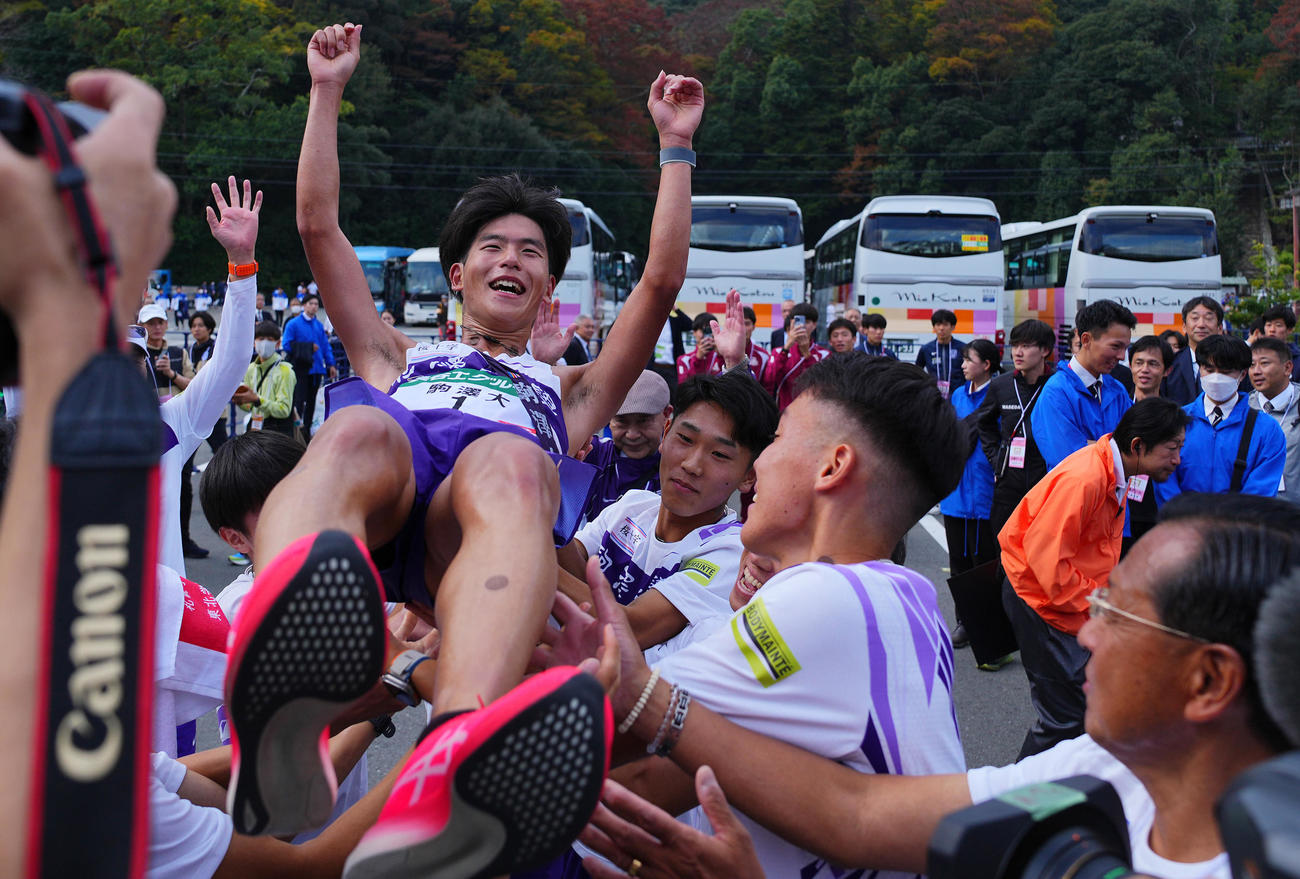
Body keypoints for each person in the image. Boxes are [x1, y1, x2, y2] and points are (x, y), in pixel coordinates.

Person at [223, 22, 702, 870]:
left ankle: (453, 753)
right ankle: (282, 694)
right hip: (391, 490)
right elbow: (317, 226)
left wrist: (674, 148)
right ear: (458, 275)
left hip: (473, 538)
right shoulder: (396, 356)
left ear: (549, 286)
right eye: (492, 246)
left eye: (531, 252)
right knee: (358, 423)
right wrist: (326, 92)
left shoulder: (574, 392)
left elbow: (661, 280)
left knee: (514, 461)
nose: (511, 257)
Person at [573, 495, 1300, 879]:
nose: (1086, 635)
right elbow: (856, 813)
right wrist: (649, 697)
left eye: (1113, 612)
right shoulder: (1101, 773)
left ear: (1209, 680)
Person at [542, 354, 969, 879]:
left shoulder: (823, 602)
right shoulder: (910, 601)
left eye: (780, 439)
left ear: (833, 467)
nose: (759, 466)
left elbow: (614, 754)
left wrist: (415, 667)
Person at [1002, 398, 1188, 757]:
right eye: (1172, 448)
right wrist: (1103, 604)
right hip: (1040, 597)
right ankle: (1015, 803)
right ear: (1138, 445)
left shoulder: (1111, 469)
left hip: (1064, 597)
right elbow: (1049, 566)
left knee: (1078, 711)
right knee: (1065, 719)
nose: (1178, 459)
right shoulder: (1087, 477)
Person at [560, 371, 777, 653]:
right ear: (666, 433)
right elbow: (569, 561)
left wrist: (529, 538)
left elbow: (630, 629)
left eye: (720, 455)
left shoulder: (730, 554)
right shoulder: (633, 506)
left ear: (749, 476)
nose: (692, 465)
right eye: (685, 439)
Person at [940, 339, 1000, 653]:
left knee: (984, 563)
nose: (963, 365)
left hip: (985, 493)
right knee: (959, 562)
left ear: (986, 365)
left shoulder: (1000, 394)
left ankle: (985, 626)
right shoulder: (959, 395)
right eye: (963, 359)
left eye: (969, 359)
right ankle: (963, 621)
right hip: (956, 494)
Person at [1171, 334, 1285, 497]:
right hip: (1181, 519)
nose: (1216, 378)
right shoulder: (1175, 420)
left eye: (1225, 372)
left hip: (1238, 521)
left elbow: (1262, 490)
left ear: (1243, 374)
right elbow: (1164, 478)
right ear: (1200, 369)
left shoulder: (1267, 430)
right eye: (1209, 370)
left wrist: (1232, 521)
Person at [1030, 299, 1136, 471]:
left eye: (1125, 348)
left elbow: (1137, 449)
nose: (1122, 356)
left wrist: (1092, 446)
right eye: (1115, 346)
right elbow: (1070, 460)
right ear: (1086, 340)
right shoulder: (1056, 393)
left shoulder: (1117, 390)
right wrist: (1116, 449)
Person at [975, 319, 1054, 536]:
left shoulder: (1057, 384)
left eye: (1026, 346)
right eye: (1015, 345)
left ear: (1045, 350)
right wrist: (996, 460)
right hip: (1009, 480)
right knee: (1004, 546)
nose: (1018, 352)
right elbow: (984, 423)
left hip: (1046, 479)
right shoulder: (1001, 385)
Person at [582, 370, 672, 518]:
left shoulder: (679, 469)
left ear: (666, 414)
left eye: (644, 420)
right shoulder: (592, 453)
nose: (632, 434)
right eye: (622, 421)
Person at [1249, 336, 1300, 505]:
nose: (1256, 371)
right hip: (1255, 513)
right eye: (1251, 365)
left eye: (1264, 363)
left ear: (1287, 368)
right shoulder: (1244, 408)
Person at [280, 291, 337, 439]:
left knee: (312, 403)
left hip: (317, 369)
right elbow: (286, 344)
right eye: (310, 303)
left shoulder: (318, 325)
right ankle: (295, 433)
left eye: (316, 304)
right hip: (300, 368)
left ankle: (306, 433)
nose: (313, 306)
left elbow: (325, 346)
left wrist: (331, 364)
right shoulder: (293, 324)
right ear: (304, 305)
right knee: (298, 401)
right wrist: (308, 347)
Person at [235, 320, 298, 437]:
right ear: (254, 342)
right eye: (260, 339)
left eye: (270, 340)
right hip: (256, 429)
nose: (264, 343)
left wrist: (257, 400)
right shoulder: (251, 369)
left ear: (278, 344)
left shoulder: (285, 371)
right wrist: (241, 401)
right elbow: (250, 407)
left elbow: (284, 410)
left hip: (277, 433)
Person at [761, 302, 827, 409]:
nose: (803, 326)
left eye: (807, 322)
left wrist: (807, 354)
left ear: (814, 325)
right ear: (791, 323)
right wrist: (787, 347)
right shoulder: (778, 352)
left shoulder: (824, 354)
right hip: (785, 411)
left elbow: (820, 383)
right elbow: (769, 379)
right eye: (798, 321)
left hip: (813, 411)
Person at [1164, 296, 1225, 405]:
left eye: (1208, 318)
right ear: (1184, 326)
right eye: (1195, 318)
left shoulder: (1232, 365)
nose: (1201, 325)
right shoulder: (1170, 364)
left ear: (1220, 328)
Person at [140, 301, 194, 398]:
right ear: (140, 326)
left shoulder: (180, 352)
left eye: (160, 322)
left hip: (177, 412)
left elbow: (194, 388)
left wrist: (171, 374)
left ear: (166, 324)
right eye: (151, 323)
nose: (157, 327)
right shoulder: (136, 355)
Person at [915, 308, 966, 399]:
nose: (941, 328)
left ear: (953, 327)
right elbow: (917, 370)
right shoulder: (926, 349)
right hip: (933, 396)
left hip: (958, 395)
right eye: (938, 325)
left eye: (945, 325)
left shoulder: (962, 348)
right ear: (934, 327)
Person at [676, 311, 724, 380]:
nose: (707, 335)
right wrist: (698, 359)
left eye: (710, 330)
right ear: (694, 332)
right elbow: (684, 386)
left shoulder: (722, 356)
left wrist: (721, 356)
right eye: (703, 330)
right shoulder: (684, 360)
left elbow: (728, 380)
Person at [1260, 302, 1300, 382]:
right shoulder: (1254, 356)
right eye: (1268, 325)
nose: (1272, 330)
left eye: (1278, 325)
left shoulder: (1297, 360)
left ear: (1290, 330)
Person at [1129, 334, 1173, 402]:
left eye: (1153, 364)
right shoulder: (1119, 407)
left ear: (1167, 371)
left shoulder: (1174, 412)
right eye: (1139, 363)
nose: (1144, 370)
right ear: (1130, 366)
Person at [741, 304, 772, 376]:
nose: (743, 328)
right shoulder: (722, 353)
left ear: (754, 327)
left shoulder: (764, 356)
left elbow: (767, 386)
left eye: (747, 323)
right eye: (740, 323)